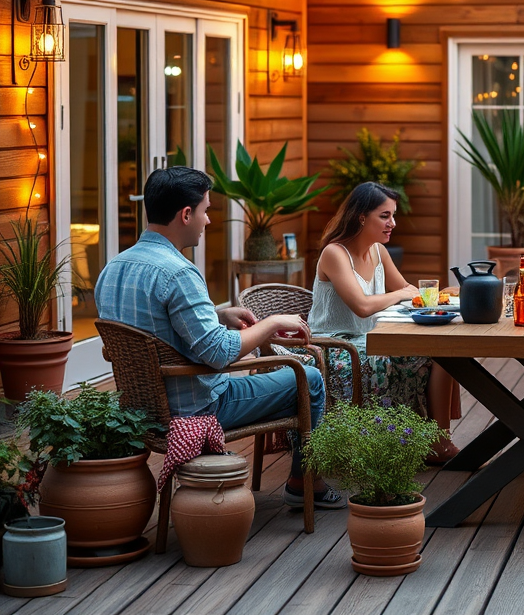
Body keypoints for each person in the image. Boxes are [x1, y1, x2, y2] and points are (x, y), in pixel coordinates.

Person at [95, 166, 344, 509]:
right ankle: (305, 483)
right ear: (185, 214)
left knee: (294, 379)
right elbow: (218, 353)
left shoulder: (113, 268)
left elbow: (152, 326)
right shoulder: (179, 272)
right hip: (197, 408)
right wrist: (271, 323)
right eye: (205, 211)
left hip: (142, 405)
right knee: (309, 378)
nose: (207, 220)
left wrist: (216, 315)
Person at [308, 182, 461, 464]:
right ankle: (389, 443)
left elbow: (406, 292)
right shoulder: (335, 253)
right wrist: (403, 293)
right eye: (385, 216)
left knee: (444, 353)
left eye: (393, 215)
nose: (393, 223)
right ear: (361, 217)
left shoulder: (378, 251)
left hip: (369, 338)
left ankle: (438, 441)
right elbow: (363, 306)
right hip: (334, 345)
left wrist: (442, 297)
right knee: (392, 358)